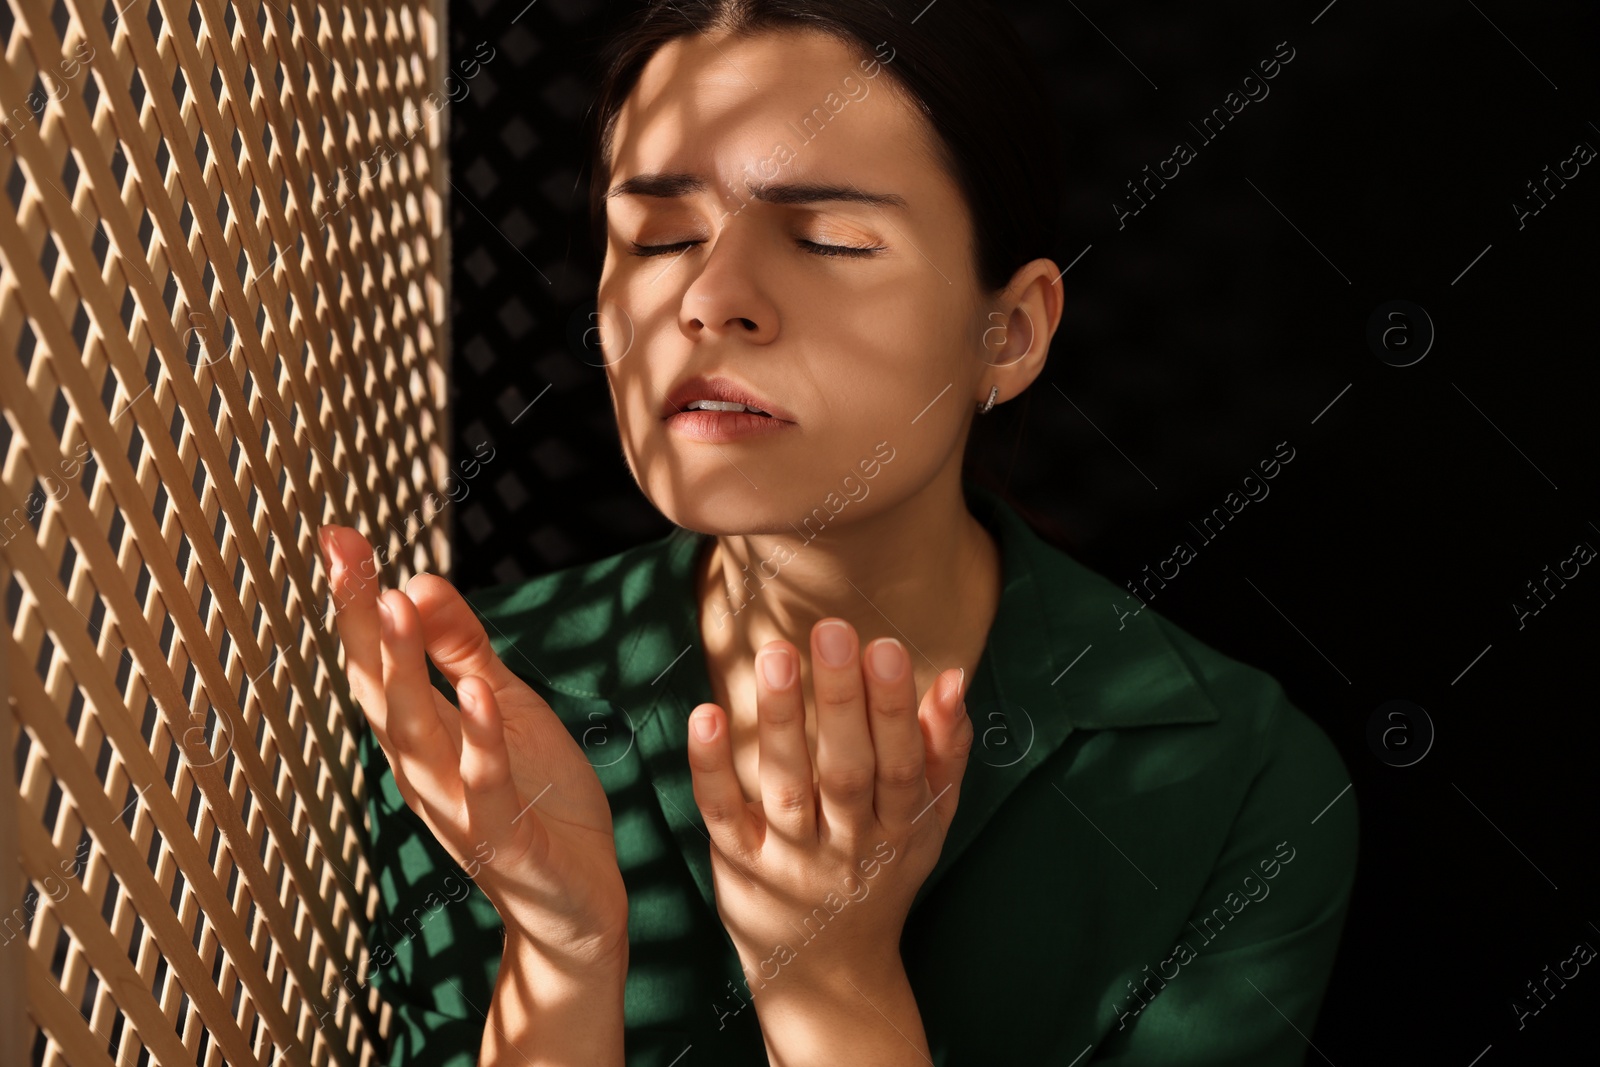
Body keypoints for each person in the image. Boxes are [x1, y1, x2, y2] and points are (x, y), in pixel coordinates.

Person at [315, 2, 1358, 1063]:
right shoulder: (475, 714)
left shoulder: (1236, 774)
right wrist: (564, 953)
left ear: (1011, 331)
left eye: (826, 239)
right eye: (659, 238)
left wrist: (833, 983)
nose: (710, 298)